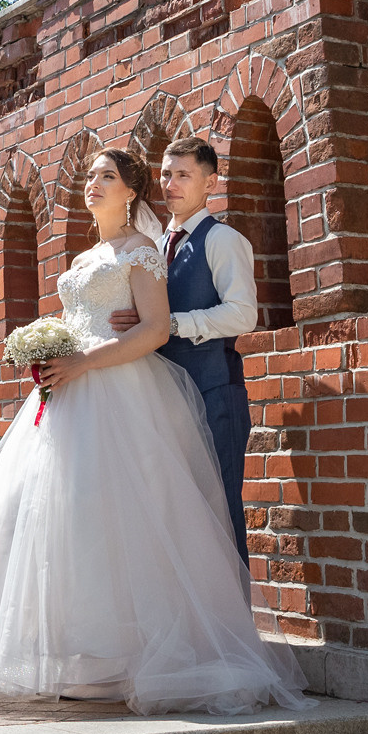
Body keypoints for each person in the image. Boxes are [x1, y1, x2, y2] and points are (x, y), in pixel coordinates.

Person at [0, 148, 308, 715]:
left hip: (133, 391)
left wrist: (89, 361)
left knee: (152, 517)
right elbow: (84, 319)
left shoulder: (162, 249)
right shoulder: (96, 253)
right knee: (60, 516)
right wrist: (52, 351)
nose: (93, 184)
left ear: (131, 192)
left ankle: (153, 651)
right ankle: (79, 654)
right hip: (73, 394)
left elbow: (165, 326)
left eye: (107, 176)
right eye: (89, 175)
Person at [111, 136, 256, 549]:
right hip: (163, 399)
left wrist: (169, 324)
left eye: (183, 175)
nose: (170, 184)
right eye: (166, 174)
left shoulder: (223, 240)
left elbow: (244, 313)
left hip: (214, 394)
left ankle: (233, 615)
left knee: (220, 516)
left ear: (210, 184)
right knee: (174, 519)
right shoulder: (152, 247)